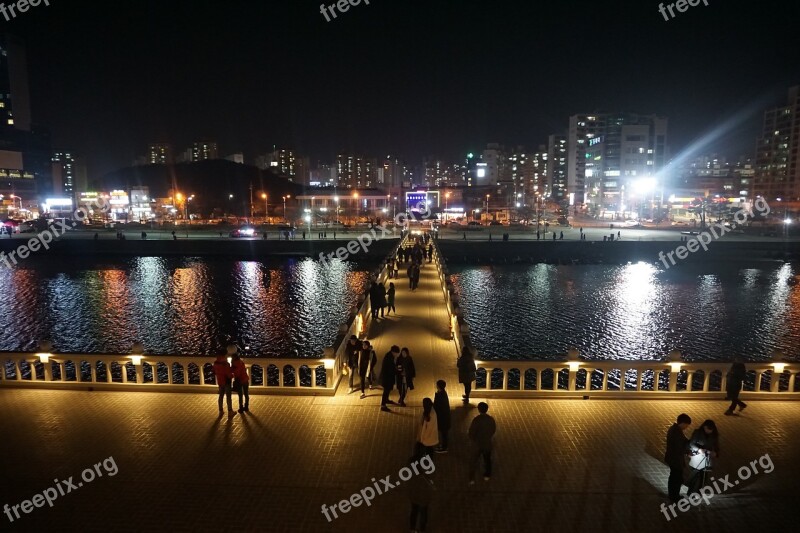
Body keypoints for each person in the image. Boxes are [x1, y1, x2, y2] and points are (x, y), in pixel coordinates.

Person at [664, 413, 692, 502]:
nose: (686, 427)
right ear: (683, 423)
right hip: (675, 459)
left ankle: (673, 495)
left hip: (672, 458)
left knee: (674, 477)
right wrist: (688, 451)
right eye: (687, 425)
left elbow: (683, 441)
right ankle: (674, 496)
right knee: (676, 478)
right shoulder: (676, 432)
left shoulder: (675, 429)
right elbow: (679, 446)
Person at [687, 420, 719, 494]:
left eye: (711, 430)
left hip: (707, 458)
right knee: (694, 475)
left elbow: (717, 446)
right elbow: (691, 443)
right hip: (697, 457)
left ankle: (699, 492)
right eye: (708, 429)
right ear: (704, 427)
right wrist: (699, 449)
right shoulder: (697, 432)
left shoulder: (714, 435)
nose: (709, 431)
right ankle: (690, 492)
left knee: (704, 477)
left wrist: (716, 453)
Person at [468, 402, 496, 483]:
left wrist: (473, 439)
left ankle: (472, 478)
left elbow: (471, 432)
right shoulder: (491, 419)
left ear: (479, 410)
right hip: (487, 443)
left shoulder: (476, 420)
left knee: (474, 460)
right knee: (487, 459)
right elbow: (493, 429)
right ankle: (487, 474)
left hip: (478, 444)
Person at [408, 452, 435, 533]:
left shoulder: (411, 470)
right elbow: (430, 485)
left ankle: (412, 529)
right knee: (423, 513)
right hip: (423, 498)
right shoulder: (425, 477)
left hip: (414, 495)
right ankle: (422, 530)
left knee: (414, 511)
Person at [213, 353, 235, 417]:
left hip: (220, 381)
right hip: (226, 382)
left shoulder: (215, 363)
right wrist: (232, 375)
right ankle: (230, 411)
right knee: (228, 397)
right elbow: (228, 374)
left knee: (221, 396)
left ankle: (220, 410)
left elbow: (214, 372)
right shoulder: (226, 364)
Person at [380, 345, 400, 412]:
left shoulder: (389, 356)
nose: (397, 355)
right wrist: (397, 371)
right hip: (387, 378)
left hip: (387, 377)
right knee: (386, 391)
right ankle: (383, 405)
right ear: (393, 352)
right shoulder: (389, 358)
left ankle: (386, 400)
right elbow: (390, 369)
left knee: (387, 390)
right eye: (397, 353)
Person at [433, 380, 451, 453]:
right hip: (444, 417)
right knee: (444, 433)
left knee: (444, 433)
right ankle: (443, 445)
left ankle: (444, 447)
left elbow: (438, 406)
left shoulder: (440, 395)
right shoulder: (442, 393)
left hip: (443, 418)